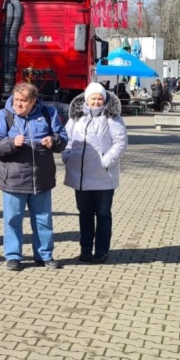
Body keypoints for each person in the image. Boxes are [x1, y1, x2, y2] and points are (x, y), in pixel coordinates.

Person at [0, 82, 67, 271]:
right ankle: (13, 256)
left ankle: (44, 255)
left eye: (23, 101)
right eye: (16, 100)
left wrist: (53, 141)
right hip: (14, 178)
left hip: (42, 178)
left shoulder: (49, 113)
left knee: (43, 219)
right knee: (13, 219)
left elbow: (63, 139)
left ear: (33, 101)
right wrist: (11, 142)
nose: (18, 104)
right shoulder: (3, 116)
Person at [62, 83, 127, 265]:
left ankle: (101, 251)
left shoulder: (112, 118)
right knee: (85, 214)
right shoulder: (76, 118)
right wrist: (67, 155)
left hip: (103, 176)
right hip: (80, 176)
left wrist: (106, 161)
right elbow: (66, 139)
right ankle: (85, 250)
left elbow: (121, 143)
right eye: (93, 98)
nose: (97, 102)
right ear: (86, 99)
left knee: (103, 214)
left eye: (100, 98)